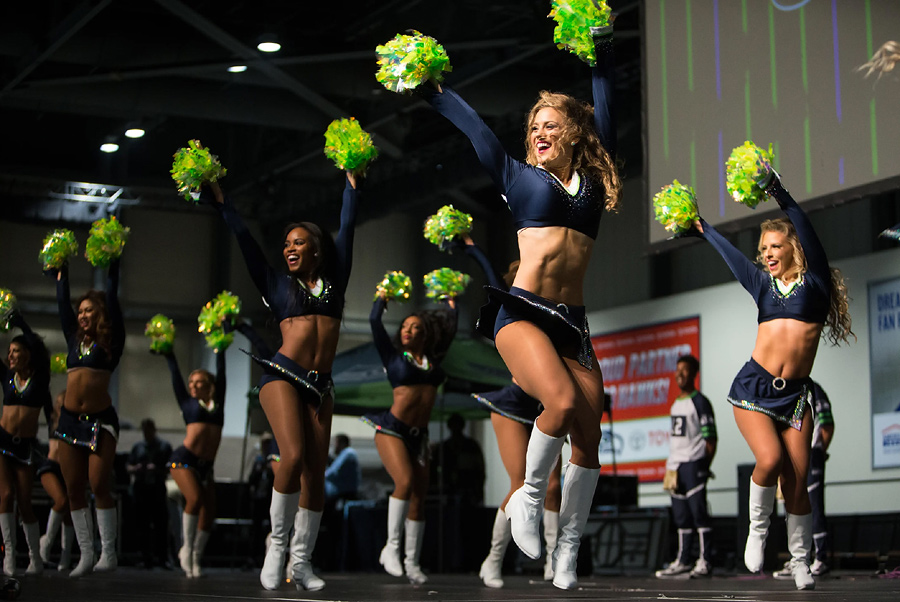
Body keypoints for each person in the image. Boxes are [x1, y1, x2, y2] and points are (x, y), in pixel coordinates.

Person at [418, 20, 621, 590]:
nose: (538, 133)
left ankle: (567, 553)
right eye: (533, 126)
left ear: (574, 134)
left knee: (589, 436)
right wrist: (434, 89)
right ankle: (528, 500)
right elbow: (477, 131)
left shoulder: (592, 175)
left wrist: (602, 49)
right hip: (522, 313)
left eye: (550, 125)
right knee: (556, 401)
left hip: (572, 325)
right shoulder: (516, 175)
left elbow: (605, 102)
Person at [691, 169, 853, 590]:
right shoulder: (762, 286)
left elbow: (804, 224)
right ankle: (757, 530)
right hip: (753, 390)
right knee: (770, 461)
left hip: (797, 398)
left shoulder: (815, 285)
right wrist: (703, 227)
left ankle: (800, 561)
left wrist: (777, 190)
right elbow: (732, 257)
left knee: (797, 484)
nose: (766, 255)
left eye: (775, 246)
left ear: (793, 248)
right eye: (763, 249)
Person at [207, 169, 361, 592]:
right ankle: (276, 549)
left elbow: (347, 227)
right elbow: (244, 239)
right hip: (281, 376)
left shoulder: (337, 279)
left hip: (321, 387)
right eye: (287, 244)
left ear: (316, 249)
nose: (290, 249)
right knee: (291, 457)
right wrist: (223, 203)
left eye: (299, 243)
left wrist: (352, 183)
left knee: (315, 473)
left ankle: (302, 562)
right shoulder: (275, 283)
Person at [463, 240, 563, 587]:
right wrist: (474, 249)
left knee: (552, 486)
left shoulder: (556, 310)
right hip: (513, 406)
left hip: (546, 406)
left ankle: (553, 560)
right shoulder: (512, 308)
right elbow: (493, 279)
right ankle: (492, 561)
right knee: (520, 485)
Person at [154, 320, 269, 578]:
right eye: (191, 382)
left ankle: (195, 555)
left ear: (210, 384)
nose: (193, 386)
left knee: (209, 513)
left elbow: (222, 370)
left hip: (206, 466)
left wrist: (219, 347)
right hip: (184, 459)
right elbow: (175, 375)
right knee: (194, 500)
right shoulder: (187, 404)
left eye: (199, 382)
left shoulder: (218, 402)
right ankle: (185, 550)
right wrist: (168, 350)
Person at [363, 285, 458, 585]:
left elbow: (451, 330)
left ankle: (412, 562)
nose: (408, 331)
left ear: (424, 334)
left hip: (421, 437)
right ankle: (391, 549)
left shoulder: (434, 361)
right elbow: (374, 323)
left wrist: (451, 303)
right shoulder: (393, 357)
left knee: (419, 498)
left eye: (415, 327)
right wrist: (382, 297)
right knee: (403, 482)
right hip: (392, 429)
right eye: (405, 327)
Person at [50, 254, 126, 578]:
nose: (81, 315)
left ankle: (108, 552)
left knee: (99, 483)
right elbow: (61, 303)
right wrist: (61, 268)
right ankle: (85, 554)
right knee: (74, 489)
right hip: (68, 422)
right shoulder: (73, 340)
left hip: (100, 421)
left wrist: (113, 263)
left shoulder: (111, 340)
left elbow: (111, 293)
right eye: (80, 311)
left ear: (100, 314)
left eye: (88, 311)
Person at [655, 355, 717, 579]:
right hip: (675, 465)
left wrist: (703, 466)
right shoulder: (675, 402)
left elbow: (711, 439)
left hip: (693, 463)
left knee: (699, 513)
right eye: (677, 370)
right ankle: (683, 560)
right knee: (681, 516)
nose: (680, 374)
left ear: (694, 374)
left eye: (685, 370)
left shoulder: (700, 402)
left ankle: (705, 560)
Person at [0, 311, 52, 576]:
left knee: (24, 501)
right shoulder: (6, 376)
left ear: (28, 354)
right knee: (5, 496)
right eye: (9, 351)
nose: (11, 356)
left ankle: (34, 557)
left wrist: (16, 320)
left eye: (16, 351)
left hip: (26, 447)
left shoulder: (40, 378)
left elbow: (35, 342)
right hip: (2, 442)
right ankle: (9, 554)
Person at [774, 379, 835, 579]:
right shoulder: (783, 390)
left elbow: (826, 425)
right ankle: (798, 560)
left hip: (811, 455)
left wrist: (817, 453)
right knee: (790, 507)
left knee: (813, 504)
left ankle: (821, 558)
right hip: (790, 457)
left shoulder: (815, 389)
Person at [126, 419, 173, 569]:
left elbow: (170, 467)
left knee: (161, 525)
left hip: (157, 489)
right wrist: (137, 469)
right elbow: (128, 466)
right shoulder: (138, 447)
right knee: (142, 525)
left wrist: (157, 469)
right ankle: (146, 557)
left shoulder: (164, 447)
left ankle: (162, 558)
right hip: (141, 489)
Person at [38, 391, 74, 571]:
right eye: (58, 402)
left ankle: (65, 556)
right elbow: (45, 400)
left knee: (68, 512)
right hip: (50, 466)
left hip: (67, 470)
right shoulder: (52, 420)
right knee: (61, 501)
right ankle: (45, 545)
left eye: (64, 402)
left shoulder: (74, 422)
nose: (60, 405)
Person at [432, 413, 485, 507]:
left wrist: (478, 490)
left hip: (469, 490)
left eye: (457, 425)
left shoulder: (471, 446)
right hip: (448, 490)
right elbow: (433, 469)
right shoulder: (443, 447)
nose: (456, 428)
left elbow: (480, 469)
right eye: (453, 425)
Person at [324, 434, 360, 503]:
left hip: (343, 495)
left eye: (335, 443)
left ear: (341, 443)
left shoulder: (348, 453)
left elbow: (333, 472)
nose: (334, 446)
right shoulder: (345, 454)